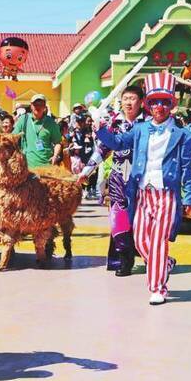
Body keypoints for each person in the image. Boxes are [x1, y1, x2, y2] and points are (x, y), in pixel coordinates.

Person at [95, 72, 191, 305]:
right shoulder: (140, 129)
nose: (159, 107)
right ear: (148, 105)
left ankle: (158, 287)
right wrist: (100, 129)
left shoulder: (184, 136)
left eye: (164, 102)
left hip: (167, 195)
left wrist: (189, 196)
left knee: (159, 240)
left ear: (172, 104)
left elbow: (187, 168)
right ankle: (165, 263)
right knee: (140, 241)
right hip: (142, 192)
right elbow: (118, 143)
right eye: (154, 102)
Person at [78, 85, 145, 276]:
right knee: (119, 220)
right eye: (126, 98)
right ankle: (124, 260)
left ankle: (151, 256)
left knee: (143, 220)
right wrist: (87, 171)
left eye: (133, 98)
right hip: (118, 178)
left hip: (141, 178)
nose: (128, 102)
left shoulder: (148, 124)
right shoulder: (114, 123)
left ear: (141, 102)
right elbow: (103, 149)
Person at [12, 94, 62, 168]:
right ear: (31, 106)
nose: (38, 107)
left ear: (45, 107)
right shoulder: (23, 119)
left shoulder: (51, 122)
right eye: (35, 104)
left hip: (47, 166)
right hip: (27, 167)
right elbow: (13, 137)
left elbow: (58, 143)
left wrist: (55, 156)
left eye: (41, 104)